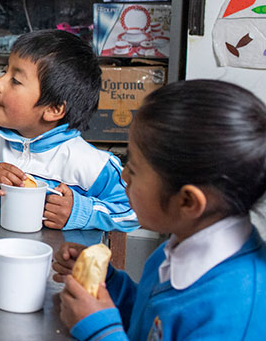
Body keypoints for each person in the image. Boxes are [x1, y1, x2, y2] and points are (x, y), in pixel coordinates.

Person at [57, 80, 266, 341]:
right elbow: (153, 323)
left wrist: (101, 331)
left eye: (134, 168)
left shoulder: (235, 313)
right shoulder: (175, 248)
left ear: (188, 202)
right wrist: (110, 284)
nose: (124, 174)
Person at [0, 30, 137, 232]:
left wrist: (81, 212)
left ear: (53, 109)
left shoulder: (91, 164)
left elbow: (134, 211)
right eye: (5, 71)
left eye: (16, 81)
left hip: (58, 256)